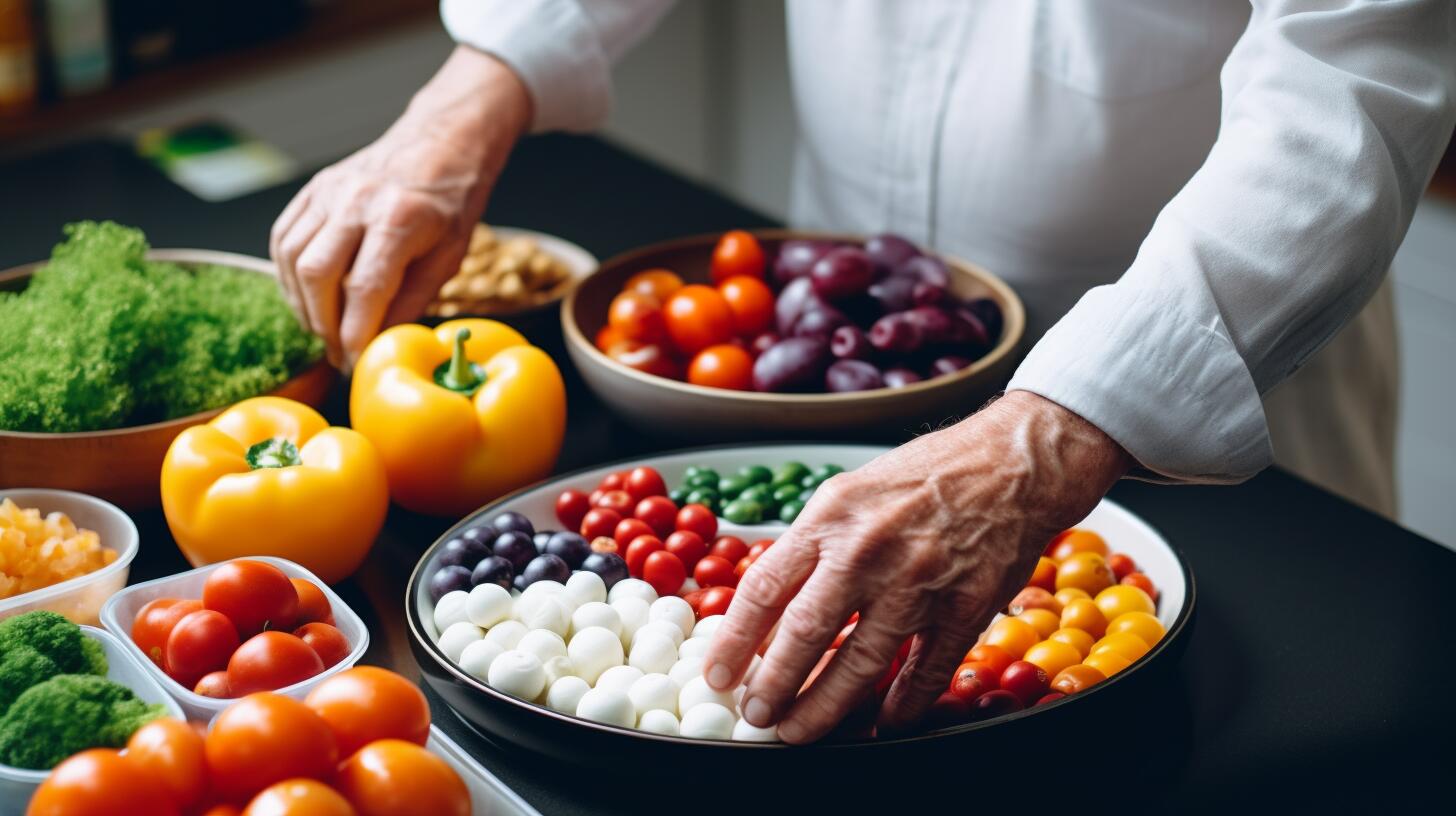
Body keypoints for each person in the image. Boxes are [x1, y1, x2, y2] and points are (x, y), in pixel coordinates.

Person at [270, 1, 1456, 743]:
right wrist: (480, 81)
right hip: (856, 341)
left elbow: (1348, 84)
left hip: (1207, 374)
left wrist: (1054, 426)